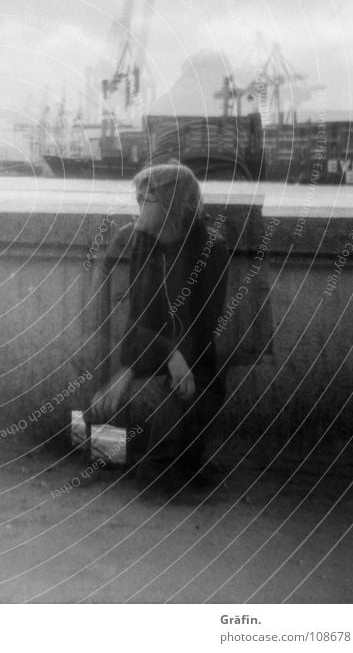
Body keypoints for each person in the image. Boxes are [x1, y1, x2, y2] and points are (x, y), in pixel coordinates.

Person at [88, 163, 230, 495]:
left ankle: (168, 463)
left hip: (195, 360)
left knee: (180, 398)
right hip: (152, 350)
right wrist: (143, 362)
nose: (138, 205)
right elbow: (138, 318)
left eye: (146, 199)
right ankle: (106, 457)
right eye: (136, 197)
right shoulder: (139, 241)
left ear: (172, 204)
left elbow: (203, 327)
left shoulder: (211, 249)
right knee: (96, 375)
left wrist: (175, 357)